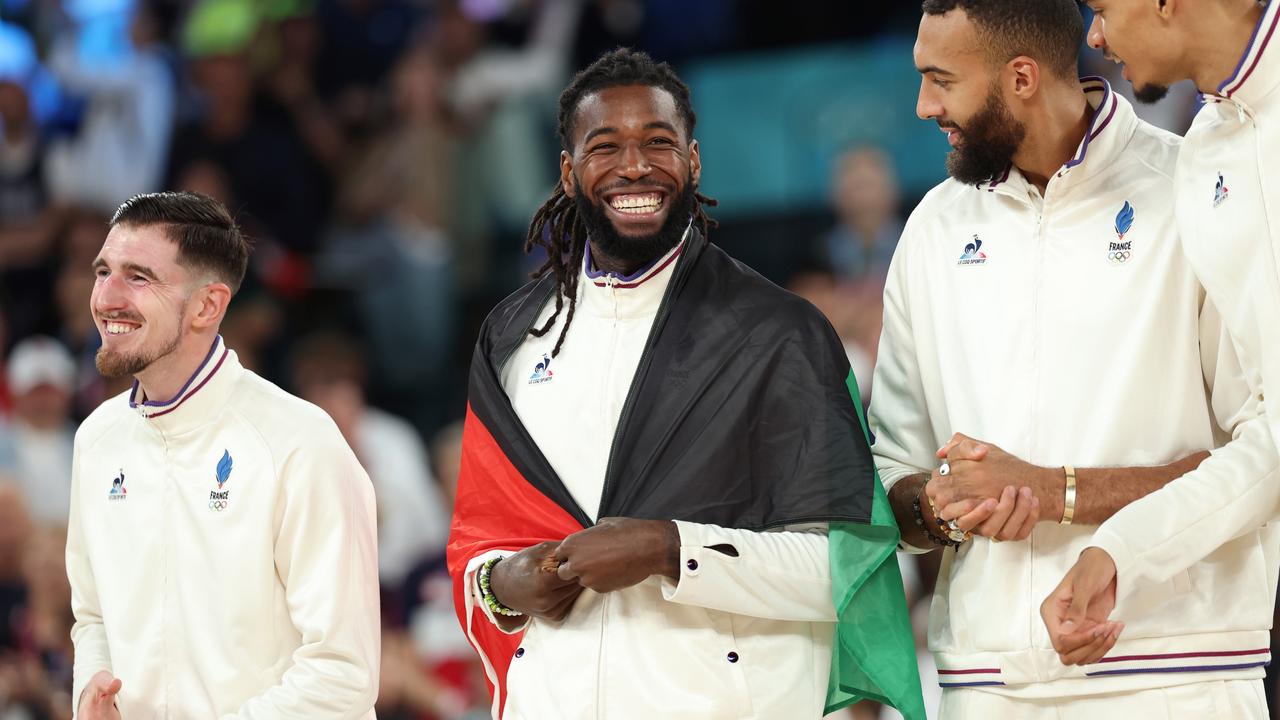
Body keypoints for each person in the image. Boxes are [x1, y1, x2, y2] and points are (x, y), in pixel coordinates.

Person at [446, 48, 922, 720]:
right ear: (567, 171)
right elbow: (478, 543)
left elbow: (845, 572)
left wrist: (671, 550)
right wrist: (504, 583)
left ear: (694, 161)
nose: (634, 166)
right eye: (605, 145)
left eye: (658, 143)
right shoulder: (513, 337)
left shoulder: (777, 334)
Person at [871, 0, 1277, 717]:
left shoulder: (1198, 186)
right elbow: (889, 480)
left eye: (940, 80)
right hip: (983, 682)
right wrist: (938, 507)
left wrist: (1054, 490)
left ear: (1021, 76)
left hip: (1174, 672)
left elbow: (1262, 451)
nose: (922, 105)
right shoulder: (932, 228)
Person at [66, 191, 379, 719]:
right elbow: (92, 615)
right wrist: (89, 693)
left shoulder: (299, 441)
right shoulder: (97, 439)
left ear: (207, 306)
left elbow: (342, 674)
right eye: (103, 271)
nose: (106, 297)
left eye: (137, 277)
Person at [1044, 0, 1280, 665]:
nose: (1094, 35)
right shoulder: (1205, 153)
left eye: (1104, 8)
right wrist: (1122, 550)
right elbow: (1269, 435)